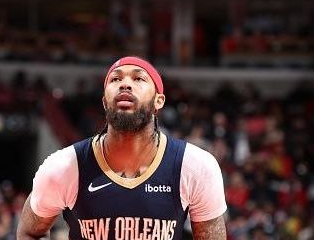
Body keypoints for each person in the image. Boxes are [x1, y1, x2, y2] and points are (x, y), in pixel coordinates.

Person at [17, 56, 227, 240]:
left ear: (158, 101)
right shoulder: (64, 166)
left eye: (138, 78)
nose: (125, 84)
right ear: (104, 101)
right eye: (116, 79)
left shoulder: (195, 166)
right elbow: (30, 232)